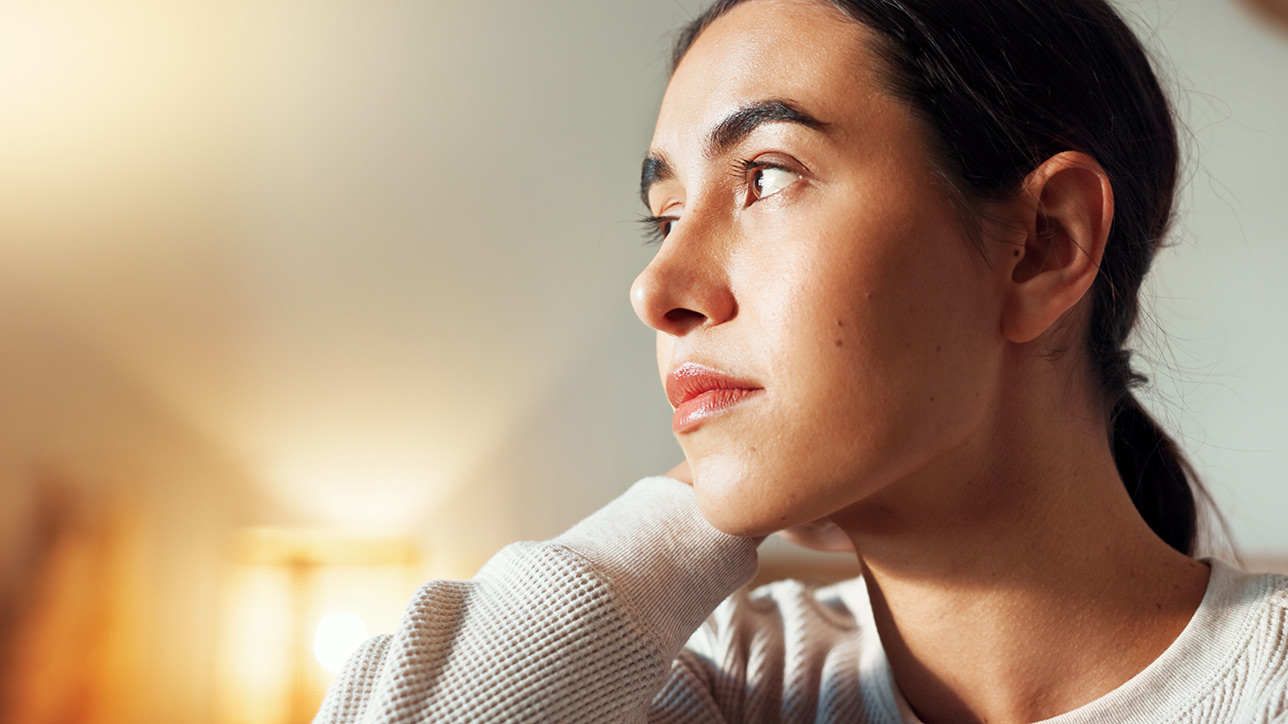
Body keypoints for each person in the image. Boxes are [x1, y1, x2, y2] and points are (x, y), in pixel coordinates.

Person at [312, 1, 1288, 722]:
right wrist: (685, 510)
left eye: (765, 175)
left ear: (1041, 243)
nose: (658, 289)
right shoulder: (723, 686)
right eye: (662, 216)